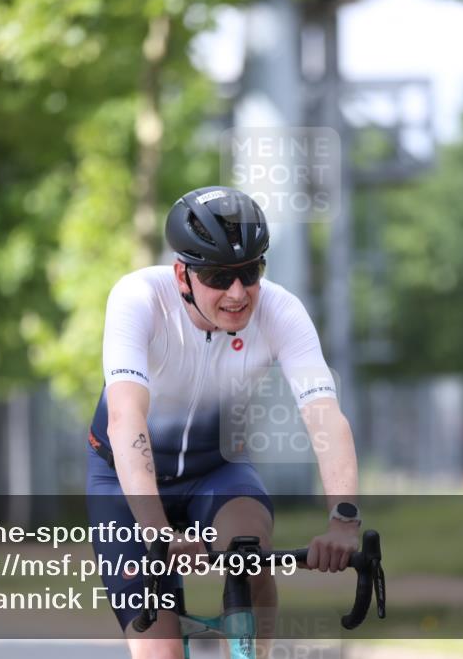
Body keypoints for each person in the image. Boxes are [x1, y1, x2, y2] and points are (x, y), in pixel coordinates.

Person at [86, 186, 361, 659]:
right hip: (122, 479)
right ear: (182, 274)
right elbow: (125, 417)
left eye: (250, 272)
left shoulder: (281, 311)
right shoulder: (139, 297)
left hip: (216, 470)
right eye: (218, 276)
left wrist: (344, 521)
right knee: (161, 652)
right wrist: (156, 530)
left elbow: (325, 418)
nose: (237, 293)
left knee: (249, 554)